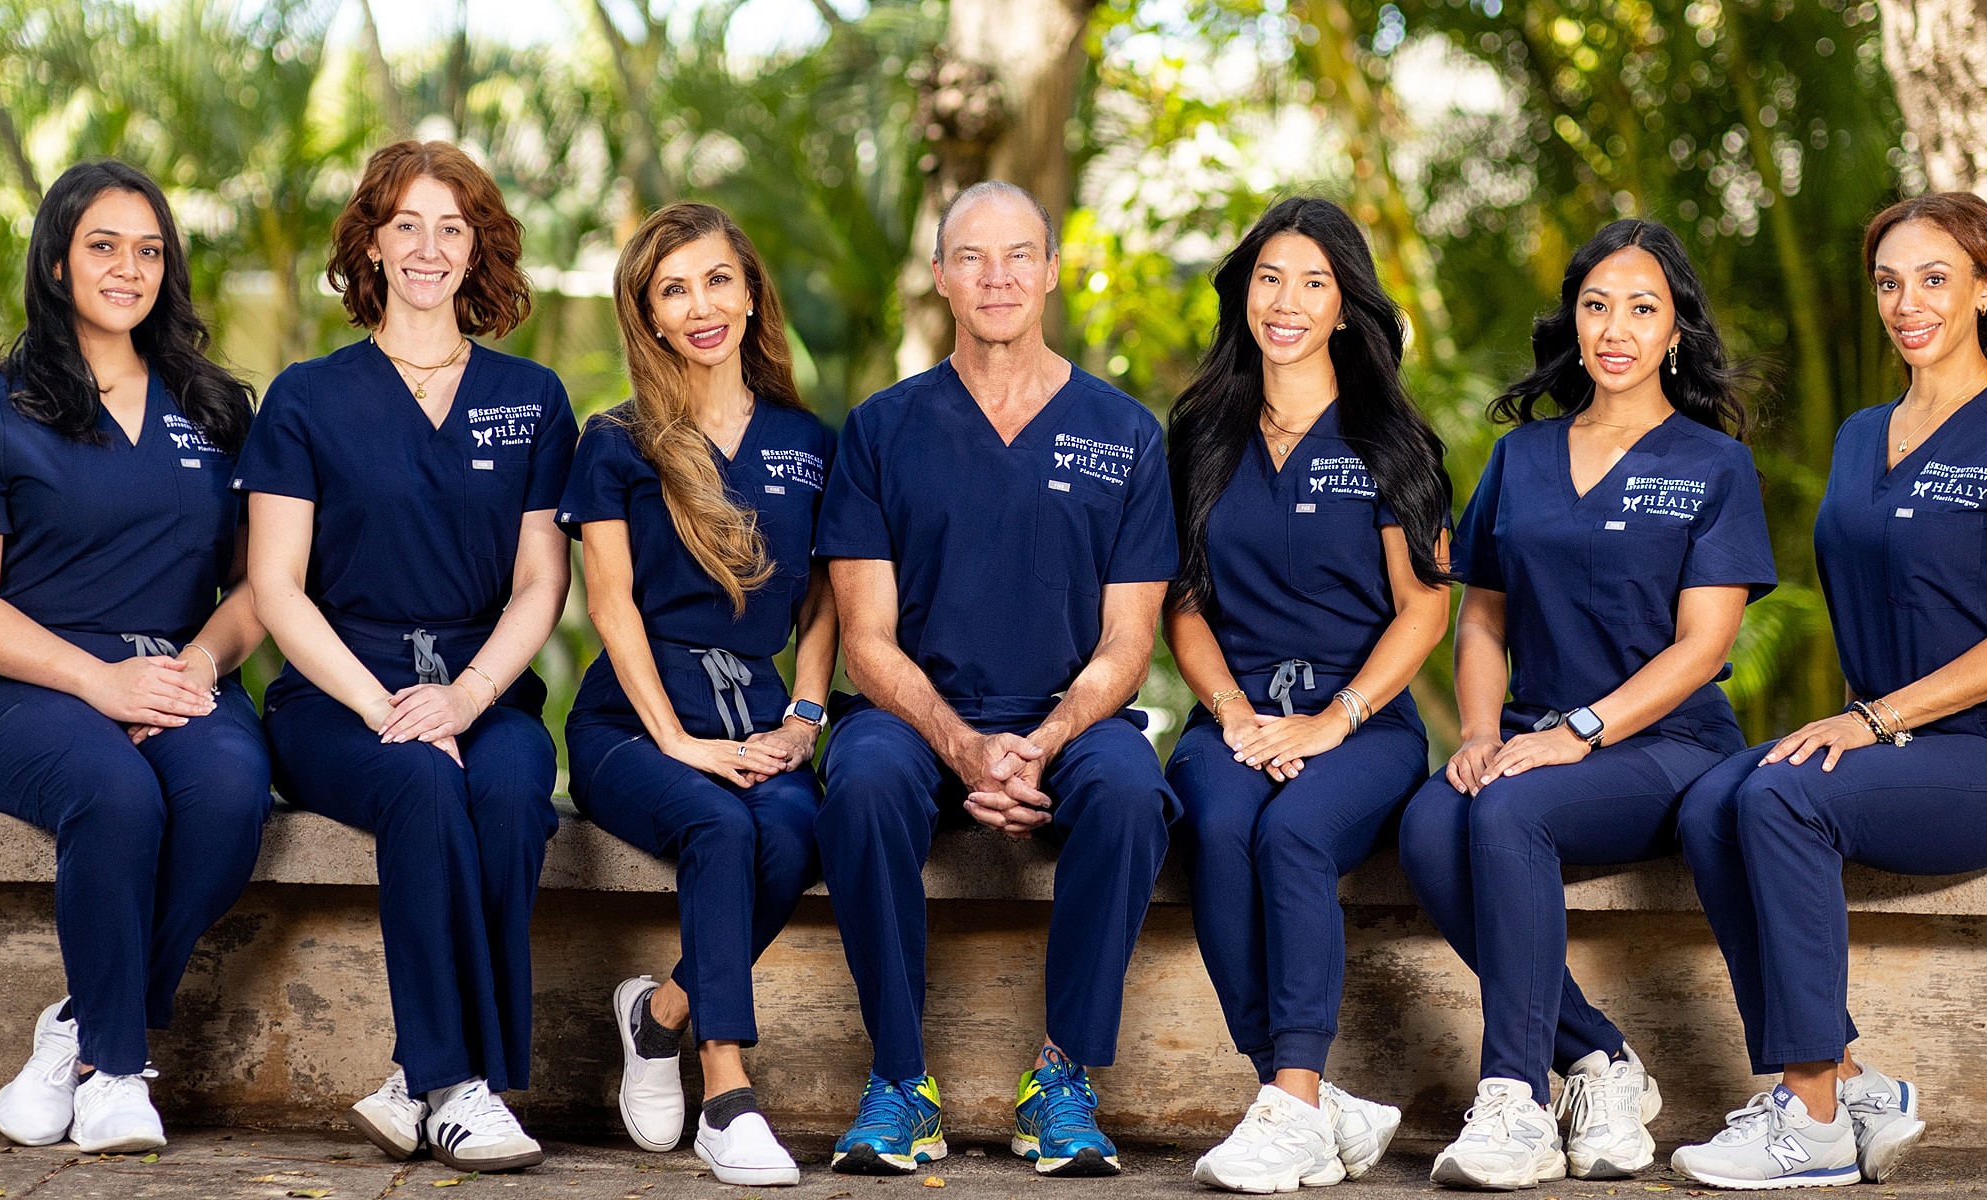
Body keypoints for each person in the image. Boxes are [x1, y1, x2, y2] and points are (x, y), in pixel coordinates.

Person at [1670, 192, 1987, 1192]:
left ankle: (1809, 1110)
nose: (1908, 303)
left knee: (1780, 794)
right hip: (1882, 742)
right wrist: (1866, 726)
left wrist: (1869, 719)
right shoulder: (1863, 434)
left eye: (1935, 279)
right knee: (1708, 805)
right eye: (1889, 282)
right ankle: (1851, 1080)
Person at [1397, 219, 1776, 1190]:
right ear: (1572, 321)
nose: (1615, 326)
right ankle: (1601, 1060)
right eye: (1596, 304)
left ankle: (1514, 1100)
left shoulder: (1710, 464)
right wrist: (1481, 733)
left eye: (1642, 307)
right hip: (1532, 737)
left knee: (1510, 808)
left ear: (1675, 331)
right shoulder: (1521, 460)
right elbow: (1479, 617)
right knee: (1434, 823)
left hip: (1668, 743)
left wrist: (1581, 731)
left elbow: (1704, 648)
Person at [812, 181, 1179, 1179]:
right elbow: (867, 642)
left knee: (1133, 793)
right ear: (940, 278)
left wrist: (1044, 742)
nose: (997, 276)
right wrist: (963, 745)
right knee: (863, 783)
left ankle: (1059, 1081)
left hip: (1071, 714)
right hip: (916, 712)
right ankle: (900, 1086)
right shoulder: (881, 430)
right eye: (971, 257)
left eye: (1019, 254)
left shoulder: (1126, 433)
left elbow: (1128, 642)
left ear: (1052, 271)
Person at [238, 141, 575, 1173]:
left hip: (486, 692)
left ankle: (418, 1078)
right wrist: (389, 707)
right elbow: (276, 587)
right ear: (372, 245)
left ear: (478, 249)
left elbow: (540, 584)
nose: (428, 247)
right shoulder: (306, 397)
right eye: (406, 226)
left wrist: (465, 697)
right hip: (336, 699)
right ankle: (466, 1086)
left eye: (452, 227)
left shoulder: (532, 397)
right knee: (424, 785)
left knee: (517, 794)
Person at [0, 160, 270, 1155]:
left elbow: (256, 588)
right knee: (116, 795)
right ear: (58, 260)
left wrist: (200, 664)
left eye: (149, 249)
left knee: (227, 799)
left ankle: (79, 1024)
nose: (129, 268)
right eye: (103, 246)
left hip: (176, 671)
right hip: (18, 688)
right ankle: (119, 1073)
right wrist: (97, 681)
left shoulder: (213, 408)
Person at [1162, 197, 1449, 1193]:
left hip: (1361, 720)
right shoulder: (1200, 431)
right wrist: (1237, 715)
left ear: (1344, 307)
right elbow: (1184, 605)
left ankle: (1288, 1098)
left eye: (1313, 283)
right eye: (1269, 278)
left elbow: (1423, 610)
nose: (1286, 302)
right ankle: (1303, 1103)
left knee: (1291, 836)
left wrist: (1333, 721)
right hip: (1234, 715)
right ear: (1242, 292)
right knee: (1213, 822)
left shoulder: (1388, 436)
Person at [558, 202, 836, 1187]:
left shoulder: (809, 439)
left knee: (800, 833)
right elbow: (609, 603)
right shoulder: (618, 439)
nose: (701, 304)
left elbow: (824, 600)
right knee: (721, 826)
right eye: (674, 290)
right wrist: (673, 740)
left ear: (752, 293)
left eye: (718, 279)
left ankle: (661, 1012)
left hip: (759, 718)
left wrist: (805, 716)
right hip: (632, 722)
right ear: (651, 317)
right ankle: (727, 1094)